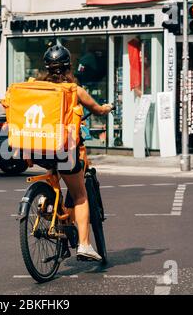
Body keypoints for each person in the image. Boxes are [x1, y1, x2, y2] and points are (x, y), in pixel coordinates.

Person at [37, 45, 113, 261]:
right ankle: (85, 244)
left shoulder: (39, 88)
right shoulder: (73, 90)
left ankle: (47, 205)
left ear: (47, 68)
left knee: (55, 180)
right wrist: (106, 108)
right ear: (68, 66)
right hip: (64, 149)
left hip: (39, 148)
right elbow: (97, 109)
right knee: (80, 195)